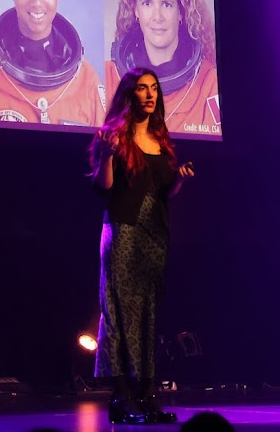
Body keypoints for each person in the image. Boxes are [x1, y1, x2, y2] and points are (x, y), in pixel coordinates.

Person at [89, 66, 195, 425]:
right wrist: (105, 157)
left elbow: (164, 192)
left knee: (147, 317)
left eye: (154, 89)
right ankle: (122, 397)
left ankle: (147, 396)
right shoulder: (113, 137)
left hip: (154, 236)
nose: (150, 95)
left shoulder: (160, 139)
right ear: (129, 94)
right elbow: (103, 189)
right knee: (120, 316)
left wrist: (178, 181)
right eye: (142, 89)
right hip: (122, 232)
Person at [106, 0, 219, 136]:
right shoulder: (110, 78)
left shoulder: (209, 84)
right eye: (147, 3)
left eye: (166, 4)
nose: (157, 17)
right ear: (135, 9)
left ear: (181, 12)